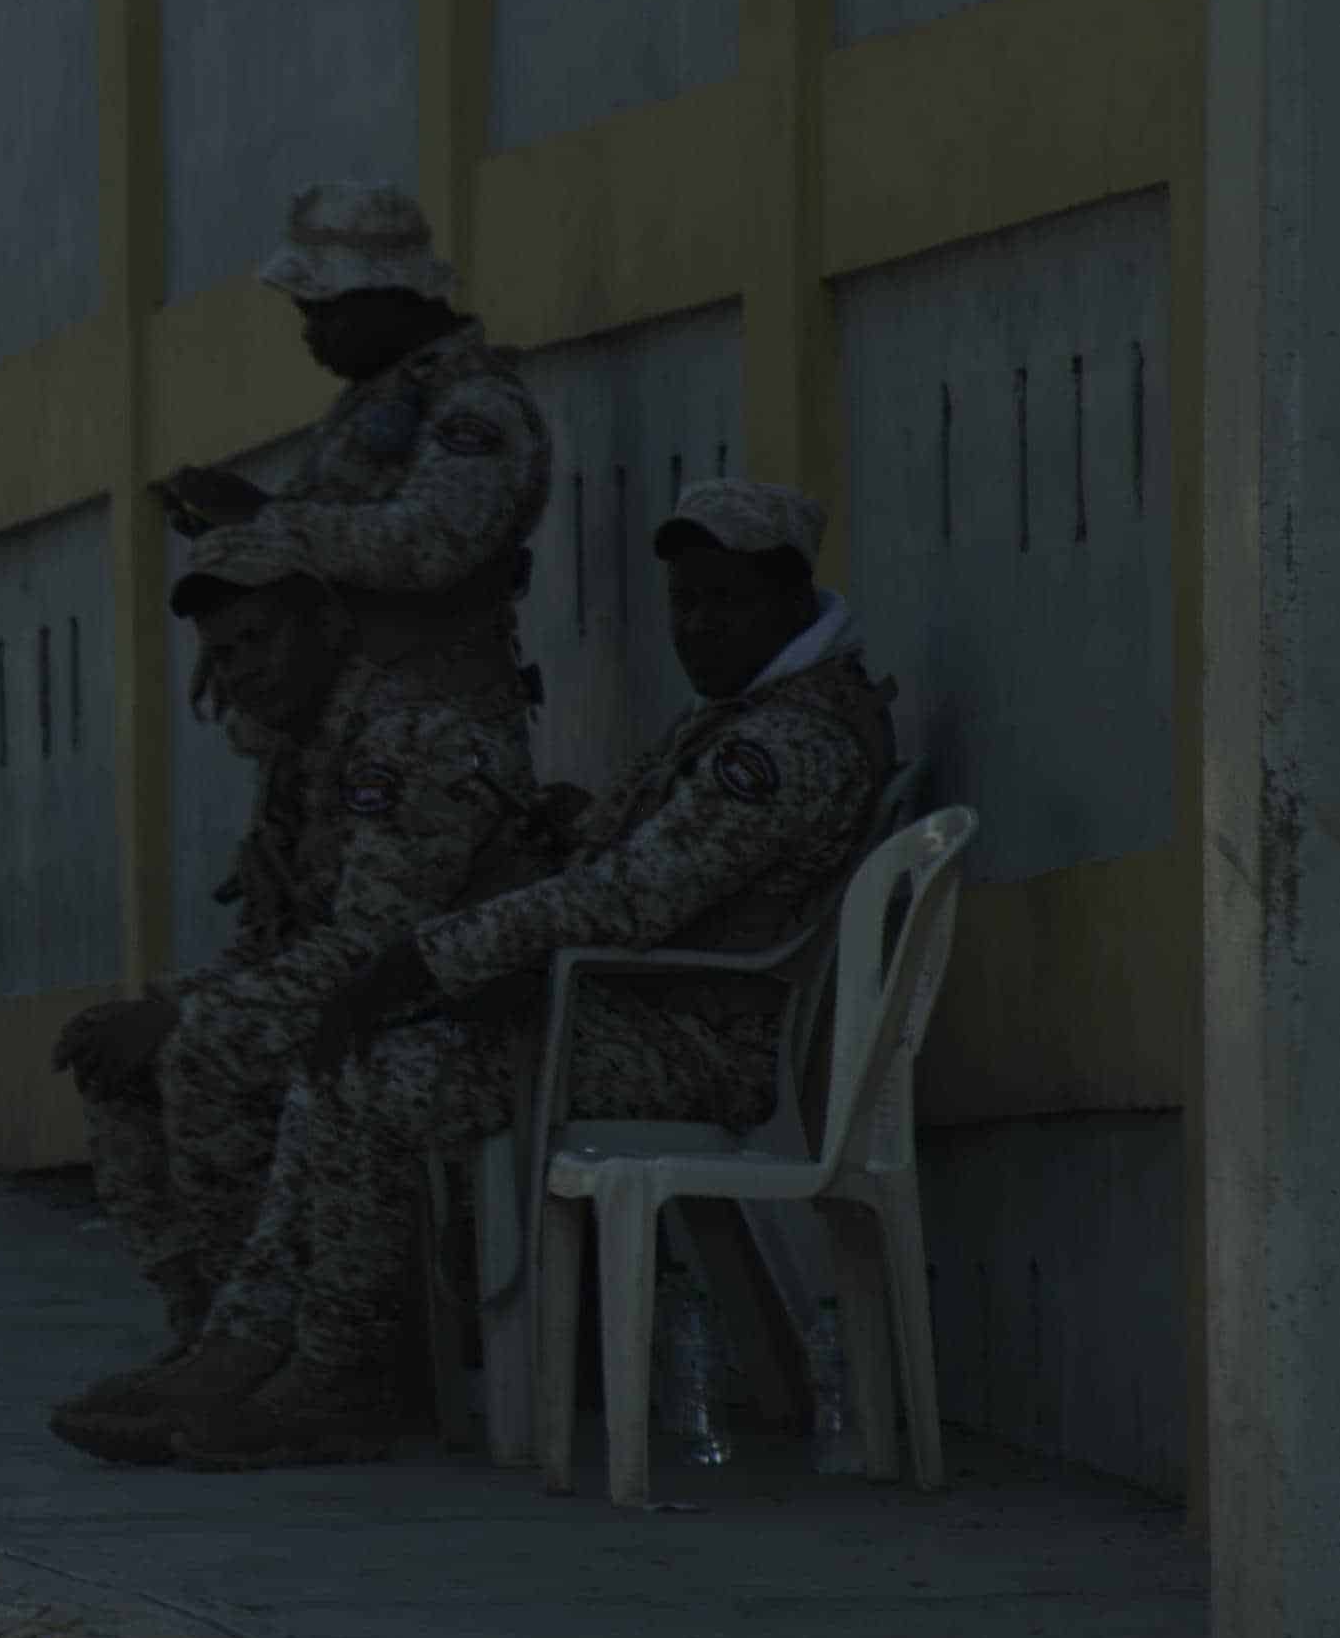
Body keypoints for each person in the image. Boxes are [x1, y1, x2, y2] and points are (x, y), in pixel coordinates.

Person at [134, 480, 897, 1472]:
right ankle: (252, 1340)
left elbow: (631, 898)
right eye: (684, 603)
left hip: (697, 1045)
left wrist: (431, 956)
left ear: (793, 596)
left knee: (374, 1072)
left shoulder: (787, 740)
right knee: (348, 1054)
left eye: (724, 602)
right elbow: (626, 857)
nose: (696, 628)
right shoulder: (746, 714)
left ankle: (338, 1375)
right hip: (633, 1011)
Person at [46, 532, 553, 1461]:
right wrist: (165, 1004)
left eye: (257, 640)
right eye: (223, 654)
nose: (240, 671)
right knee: (114, 1052)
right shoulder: (303, 754)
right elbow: (273, 943)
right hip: (360, 997)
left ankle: (301, 1356)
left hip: (450, 1009)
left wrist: (187, 1013)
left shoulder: (406, 738)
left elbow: (371, 948)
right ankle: (210, 1331)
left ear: (325, 624)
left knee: (206, 1046)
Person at [156, 183, 551, 771]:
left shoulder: (476, 407)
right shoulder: (373, 403)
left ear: (387, 295)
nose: (310, 334)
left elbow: (429, 545)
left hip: (434, 748)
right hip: (349, 743)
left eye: (323, 312)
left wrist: (264, 518)